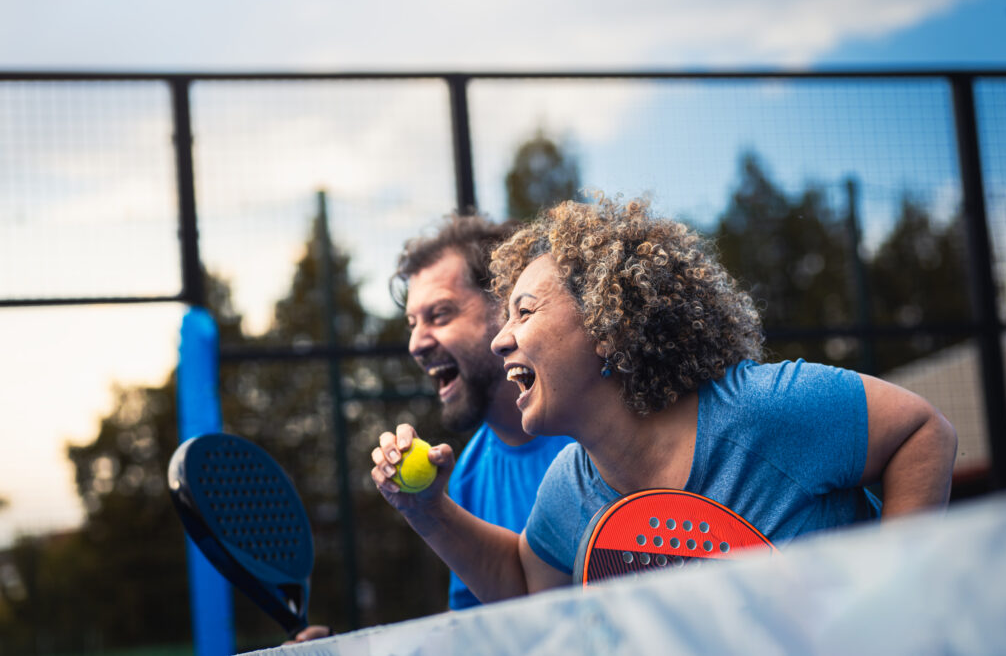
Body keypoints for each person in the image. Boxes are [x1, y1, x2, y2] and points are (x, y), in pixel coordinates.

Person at [369, 194, 957, 603]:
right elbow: (527, 588)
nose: (502, 339)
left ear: (607, 322)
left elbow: (922, 431)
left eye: (525, 312)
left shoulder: (762, 409)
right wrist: (427, 511)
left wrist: (890, 599)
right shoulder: (570, 487)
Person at [289, 214, 573, 642]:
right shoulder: (466, 476)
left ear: (510, 310)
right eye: (411, 324)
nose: (415, 343)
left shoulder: (596, 434)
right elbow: (480, 636)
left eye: (440, 315)